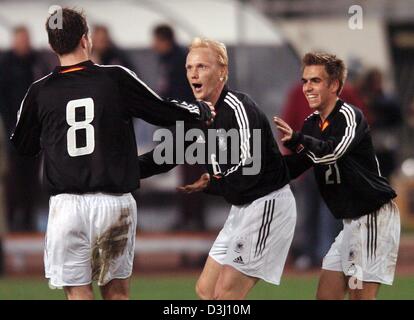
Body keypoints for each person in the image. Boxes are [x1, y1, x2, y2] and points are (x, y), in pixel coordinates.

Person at [10, 8, 213, 300]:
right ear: (85, 39)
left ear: (52, 46)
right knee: (117, 294)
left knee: (78, 294)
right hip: (113, 204)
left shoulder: (38, 91)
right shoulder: (115, 78)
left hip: (67, 207)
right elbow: (161, 111)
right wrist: (200, 111)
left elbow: (23, 147)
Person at [139, 38, 296, 300]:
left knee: (226, 294)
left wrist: (214, 182)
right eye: (189, 67)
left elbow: (249, 168)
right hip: (242, 208)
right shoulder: (197, 116)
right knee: (206, 290)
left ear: (222, 71)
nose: (193, 73)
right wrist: (120, 170)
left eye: (202, 66)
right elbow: (163, 157)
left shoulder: (240, 108)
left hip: (267, 203)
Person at [274, 52, 400, 300]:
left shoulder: (350, 116)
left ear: (334, 85)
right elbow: (296, 165)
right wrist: (251, 170)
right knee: (326, 296)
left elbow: (331, 152)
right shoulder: (312, 123)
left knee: (360, 297)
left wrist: (299, 139)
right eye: (305, 81)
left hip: (373, 217)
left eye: (315, 81)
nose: (307, 88)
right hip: (351, 222)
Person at [151, 24, 206, 231]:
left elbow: (186, 92)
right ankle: (188, 215)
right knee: (187, 169)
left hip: (190, 121)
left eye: (156, 40)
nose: (153, 45)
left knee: (194, 168)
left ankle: (195, 217)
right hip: (182, 120)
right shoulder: (168, 60)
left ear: (163, 40)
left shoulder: (180, 60)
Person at [0, 26, 49, 231]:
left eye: (25, 39)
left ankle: (28, 219)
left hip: (34, 131)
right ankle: (12, 219)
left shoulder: (37, 62)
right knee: (13, 177)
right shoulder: (5, 65)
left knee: (31, 177)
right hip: (12, 129)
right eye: (20, 39)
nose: (23, 43)